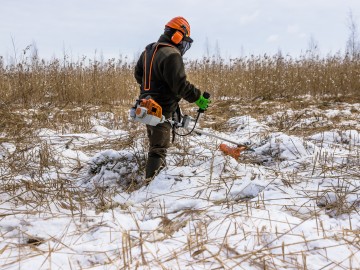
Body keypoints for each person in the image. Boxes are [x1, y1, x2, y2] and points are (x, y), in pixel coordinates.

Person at [134, 16, 211, 181]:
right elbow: (180, 85)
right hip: (160, 107)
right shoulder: (171, 54)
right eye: (183, 40)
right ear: (177, 36)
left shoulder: (148, 51)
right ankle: (151, 186)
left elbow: (138, 75)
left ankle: (158, 177)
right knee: (158, 148)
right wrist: (198, 98)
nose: (183, 44)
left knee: (157, 143)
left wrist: (149, 91)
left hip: (146, 103)